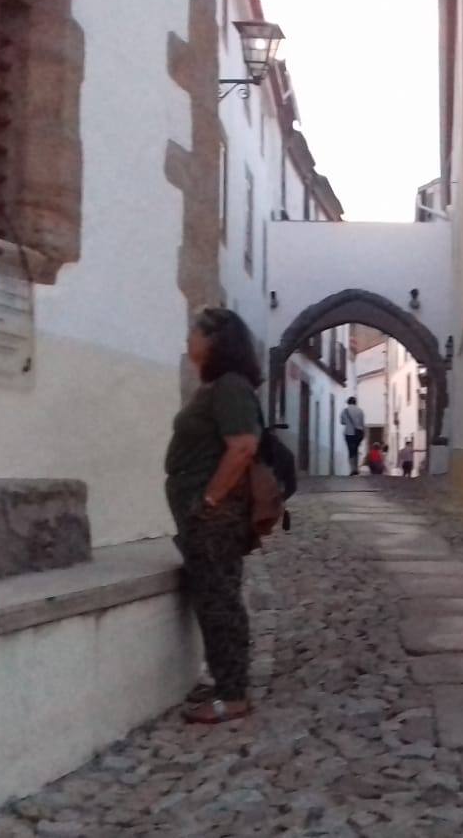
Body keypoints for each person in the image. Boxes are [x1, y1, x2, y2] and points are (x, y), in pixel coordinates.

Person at [164, 307, 261, 724]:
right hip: (206, 515)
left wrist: (208, 501)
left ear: (215, 341)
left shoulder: (230, 388)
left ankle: (232, 694)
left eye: (194, 332)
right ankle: (226, 679)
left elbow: (242, 446)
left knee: (220, 600)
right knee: (213, 596)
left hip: (215, 517)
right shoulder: (220, 387)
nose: (188, 338)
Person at [340, 397, 365, 475]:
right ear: (355, 402)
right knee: (356, 450)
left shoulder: (344, 411)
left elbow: (342, 422)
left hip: (348, 433)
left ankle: (352, 469)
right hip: (358, 433)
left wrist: (348, 423)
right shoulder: (360, 411)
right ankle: (356, 468)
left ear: (348, 402)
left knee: (350, 451)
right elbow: (362, 423)